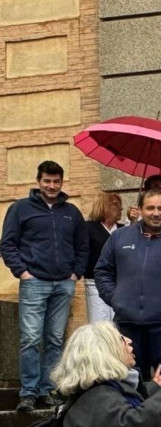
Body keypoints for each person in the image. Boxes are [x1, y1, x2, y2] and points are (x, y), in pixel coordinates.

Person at [1, 160, 87, 411]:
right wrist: (22, 272)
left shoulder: (71, 212)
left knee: (55, 339)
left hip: (64, 284)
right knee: (30, 339)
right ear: (38, 182)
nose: (52, 185)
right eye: (47, 181)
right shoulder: (21, 209)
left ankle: (48, 389)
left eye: (56, 181)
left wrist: (75, 274)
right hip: (34, 282)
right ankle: (28, 393)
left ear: (62, 182)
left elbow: (82, 247)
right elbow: (7, 244)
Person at [95, 189, 161, 378]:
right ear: (140, 209)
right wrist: (115, 298)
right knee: (130, 383)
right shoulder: (119, 237)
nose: (156, 213)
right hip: (127, 326)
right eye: (150, 208)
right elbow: (102, 271)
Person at [84, 193, 123, 323]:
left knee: (118, 324)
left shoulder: (124, 229)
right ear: (104, 206)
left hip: (120, 283)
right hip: (95, 282)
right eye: (116, 205)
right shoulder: (88, 228)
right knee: (99, 324)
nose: (121, 209)